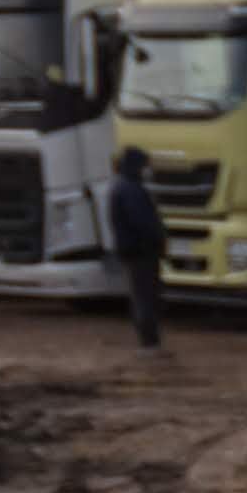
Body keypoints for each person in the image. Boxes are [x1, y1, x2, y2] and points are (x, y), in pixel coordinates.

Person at [101, 147, 168, 352]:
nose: (147, 169)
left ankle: (149, 341)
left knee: (142, 296)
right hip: (141, 251)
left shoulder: (122, 187)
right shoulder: (131, 190)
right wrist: (158, 240)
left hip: (134, 251)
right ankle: (149, 343)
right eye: (145, 165)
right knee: (145, 297)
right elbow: (143, 223)